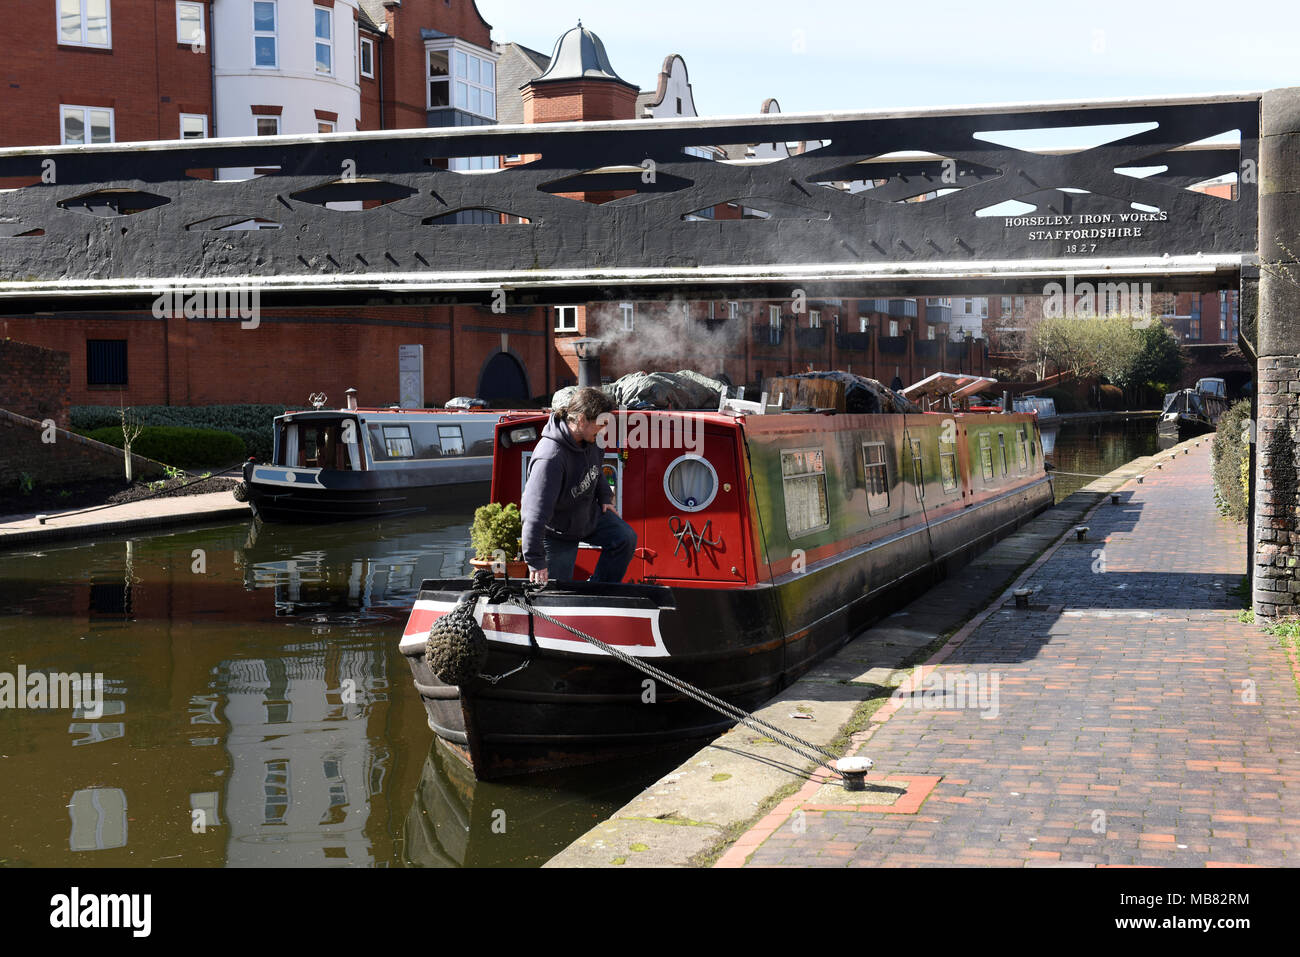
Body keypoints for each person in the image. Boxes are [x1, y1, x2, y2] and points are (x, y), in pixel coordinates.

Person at [521, 387, 638, 584]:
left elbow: (596, 468)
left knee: (625, 538)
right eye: (601, 424)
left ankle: (599, 591)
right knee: (558, 595)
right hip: (558, 533)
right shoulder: (550, 457)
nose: (605, 429)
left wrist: (604, 496)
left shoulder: (591, 439)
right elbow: (534, 512)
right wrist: (535, 560)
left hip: (586, 516)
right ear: (582, 420)